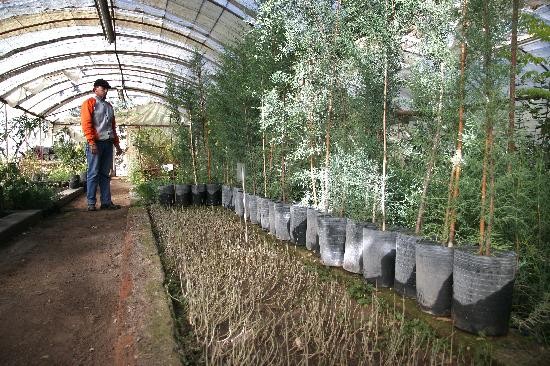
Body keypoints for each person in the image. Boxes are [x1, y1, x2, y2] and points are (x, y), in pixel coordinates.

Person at [81, 78, 123, 211]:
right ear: (95, 89)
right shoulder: (89, 103)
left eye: (106, 89)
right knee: (93, 173)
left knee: (105, 173)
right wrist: (92, 142)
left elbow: (112, 127)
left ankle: (106, 202)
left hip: (108, 143)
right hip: (96, 144)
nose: (105, 91)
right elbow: (86, 124)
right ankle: (91, 203)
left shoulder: (109, 107)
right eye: (102, 88)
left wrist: (117, 145)